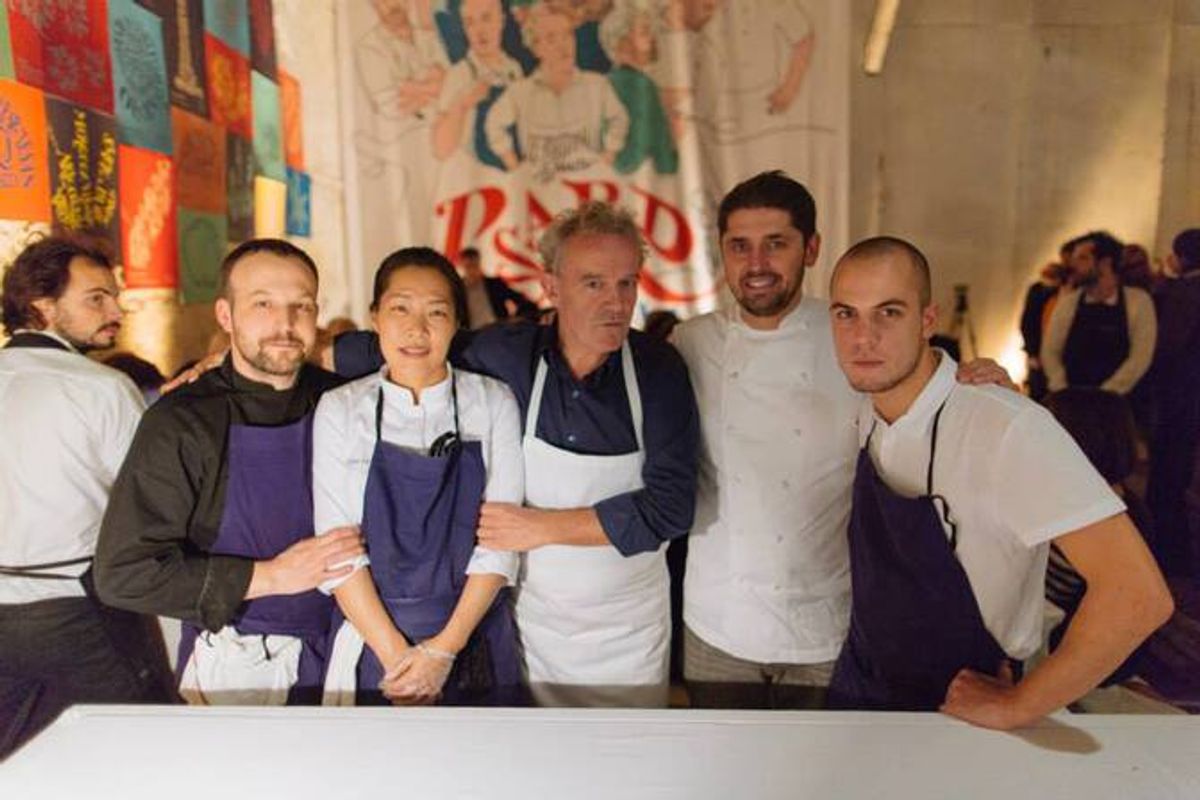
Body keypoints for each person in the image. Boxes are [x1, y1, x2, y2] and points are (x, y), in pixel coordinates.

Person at [328, 202, 699, 706]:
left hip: (628, 630)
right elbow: (418, 341)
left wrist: (542, 526)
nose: (616, 304)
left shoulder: (658, 370)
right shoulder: (511, 353)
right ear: (550, 287)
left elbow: (672, 508)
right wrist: (271, 354)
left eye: (626, 283)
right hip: (534, 626)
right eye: (593, 283)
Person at [671, 171, 1018, 710]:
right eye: (740, 246)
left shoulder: (849, 336)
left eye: (776, 244)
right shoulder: (690, 342)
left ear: (811, 249)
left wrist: (983, 383)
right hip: (717, 622)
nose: (756, 264)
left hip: (827, 621)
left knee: (819, 778)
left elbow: (929, 399)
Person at [824, 236, 1173, 729]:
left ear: (928, 320)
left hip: (963, 707)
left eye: (889, 312)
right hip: (862, 687)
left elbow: (1137, 595)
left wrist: (1020, 704)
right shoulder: (866, 411)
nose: (864, 337)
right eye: (846, 315)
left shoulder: (1008, 426)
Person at [95, 239, 365, 706]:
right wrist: (273, 576)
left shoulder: (346, 401)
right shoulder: (181, 421)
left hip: (352, 649)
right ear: (226, 315)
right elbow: (124, 573)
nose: (284, 324)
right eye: (262, 304)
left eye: (301, 305)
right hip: (240, 664)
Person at [315, 248, 524, 706]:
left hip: (472, 638)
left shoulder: (492, 402)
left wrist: (443, 651)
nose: (417, 329)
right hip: (374, 644)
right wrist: (401, 662)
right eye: (400, 309)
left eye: (437, 312)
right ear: (375, 317)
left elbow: (501, 543)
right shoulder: (340, 409)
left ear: (456, 324)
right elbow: (337, 553)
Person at [0, 236, 175, 757]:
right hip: (79, 613)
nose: (115, 311)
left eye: (114, 297)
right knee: (140, 751)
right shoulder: (100, 386)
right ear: (42, 306)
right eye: (96, 298)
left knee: (17, 764)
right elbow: (154, 503)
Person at [485, 3, 629, 181]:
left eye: (568, 35)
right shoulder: (519, 92)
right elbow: (493, 123)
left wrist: (606, 161)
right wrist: (515, 168)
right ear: (536, 48)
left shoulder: (597, 85)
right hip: (538, 193)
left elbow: (619, 118)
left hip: (586, 191)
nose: (564, 46)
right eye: (552, 39)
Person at [1041, 231, 1157, 397]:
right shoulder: (1069, 302)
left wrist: (1107, 393)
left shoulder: (1138, 302)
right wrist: (1061, 387)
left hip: (1118, 404)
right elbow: (1050, 350)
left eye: (1082, 258)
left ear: (1105, 263)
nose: (1073, 265)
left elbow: (1140, 357)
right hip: (1071, 398)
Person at [1146, 228, 1200, 576]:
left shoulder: (1188, 291)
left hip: (1179, 395)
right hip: (1189, 394)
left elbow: (1169, 344)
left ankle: (1170, 555)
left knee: (1167, 478)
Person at [431, 0, 525, 169]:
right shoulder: (459, 75)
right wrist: (461, 105)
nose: (479, 31)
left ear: (501, 21)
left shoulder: (513, 68)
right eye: (470, 23)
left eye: (486, 18)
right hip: (476, 178)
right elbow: (440, 150)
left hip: (513, 176)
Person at [458, 246, 539, 328]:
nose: (472, 270)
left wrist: (516, 319)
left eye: (474, 265)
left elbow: (521, 300)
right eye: (468, 266)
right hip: (473, 336)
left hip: (498, 331)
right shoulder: (458, 290)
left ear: (479, 263)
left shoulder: (494, 285)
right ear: (462, 266)